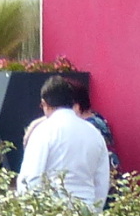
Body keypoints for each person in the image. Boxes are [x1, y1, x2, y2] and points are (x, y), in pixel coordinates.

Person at [17, 76, 110, 207]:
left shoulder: (43, 131)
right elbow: (101, 181)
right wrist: (95, 212)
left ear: (45, 104)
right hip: (86, 212)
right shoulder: (94, 133)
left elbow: (30, 178)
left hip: (52, 213)